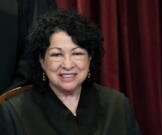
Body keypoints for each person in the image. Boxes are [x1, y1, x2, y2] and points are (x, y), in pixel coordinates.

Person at [0, 9, 140, 135]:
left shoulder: (117, 105)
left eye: (77, 53)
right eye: (56, 55)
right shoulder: (13, 112)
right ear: (42, 60)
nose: (67, 65)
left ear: (90, 58)